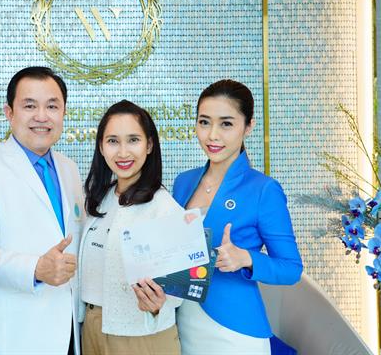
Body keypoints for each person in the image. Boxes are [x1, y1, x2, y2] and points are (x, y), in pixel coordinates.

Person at [0, 66, 85, 355]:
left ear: (64, 112)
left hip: (68, 332)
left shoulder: (70, 169)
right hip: (14, 334)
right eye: (29, 106)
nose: (42, 116)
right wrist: (36, 269)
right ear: (9, 112)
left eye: (52, 106)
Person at [172, 79, 303, 354]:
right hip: (183, 322)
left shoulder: (264, 190)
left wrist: (246, 258)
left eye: (226, 124)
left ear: (248, 126)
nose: (212, 135)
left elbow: (291, 268)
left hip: (235, 331)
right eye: (204, 122)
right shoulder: (183, 183)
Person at [79, 100, 182, 355]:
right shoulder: (98, 198)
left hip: (141, 336)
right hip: (92, 328)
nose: (123, 152)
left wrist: (158, 303)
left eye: (133, 140)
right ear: (101, 147)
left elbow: (179, 290)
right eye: (113, 141)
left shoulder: (164, 208)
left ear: (149, 145)